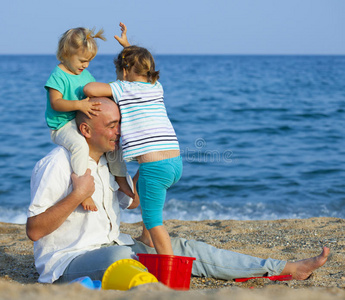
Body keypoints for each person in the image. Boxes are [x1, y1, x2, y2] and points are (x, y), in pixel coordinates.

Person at [26, 97, 329, 284]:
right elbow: (34, 231)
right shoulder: (56, 165)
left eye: (121, 124)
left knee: (182, 248)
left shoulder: (110, 163)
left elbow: (131, 204)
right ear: (86, 131)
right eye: (113, 125)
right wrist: (77, 195)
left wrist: (149, 172)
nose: (120, 131)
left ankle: (285, 267)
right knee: (120, 255)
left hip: (113, 246)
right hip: (66, 263)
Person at [83, 23, 181, 255]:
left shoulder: (122, 88)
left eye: (119, 72)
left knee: (155, 221)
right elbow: (140, 67)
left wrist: (115, 84)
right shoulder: (156, 87)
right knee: (145, 200)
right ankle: (145, 238)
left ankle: (168, 265)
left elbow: (90, 88)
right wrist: (129, 48)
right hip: (174, 162)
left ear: (124, 72)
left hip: (154, 166)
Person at [45, 26, 133, 212]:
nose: (85, 65)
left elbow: (95, 91)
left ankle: (121, 178)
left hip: (81, 119)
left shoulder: (84, 74)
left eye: (89, 62)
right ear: (66, 53)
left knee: (113, 143)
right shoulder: (58, 75)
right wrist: (79, 106)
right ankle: (82, 188)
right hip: (63, 125)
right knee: (80, 146)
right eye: (82, 60)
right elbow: (56, 103)